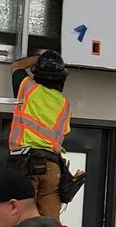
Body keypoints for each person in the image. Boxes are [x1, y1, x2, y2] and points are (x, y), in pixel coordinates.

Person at [7, 49, 73, 218]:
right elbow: (63, 132)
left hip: (25, 162)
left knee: (20, 219)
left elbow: (16, 66)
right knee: (49, 224)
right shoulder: (64, 103)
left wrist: (36, 58)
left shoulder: (28, 88)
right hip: (52, 166)